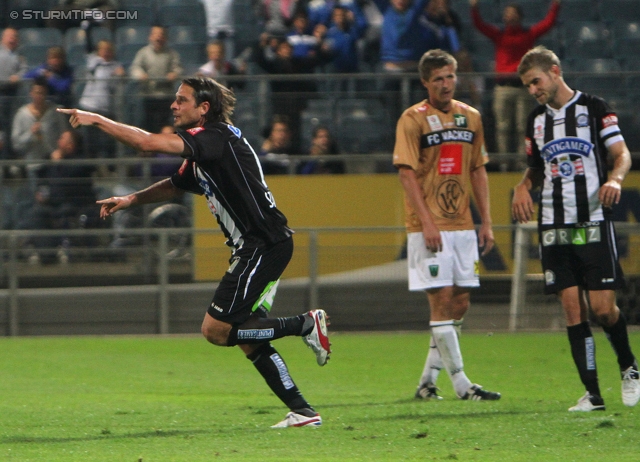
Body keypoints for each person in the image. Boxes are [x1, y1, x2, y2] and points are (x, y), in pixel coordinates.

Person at [58, 76, 332, 428]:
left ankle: (305, 324)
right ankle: (304, 412)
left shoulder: (213, 138)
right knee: (248, 333)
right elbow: (176, 184)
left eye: (181, 100)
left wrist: (97, 119)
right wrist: (132, 199)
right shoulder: (211, 146)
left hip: (262, 246)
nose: (173, 105)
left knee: (216, 330)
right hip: (263, 246)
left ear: (203, 108)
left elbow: (145, 142)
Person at [512, 46, 640, 412]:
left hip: (593, 221)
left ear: (554, 71)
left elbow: (622, 154)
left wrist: (615, 179)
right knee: (572, 310)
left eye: (536, 81)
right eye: (527, 86)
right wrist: (523, 185)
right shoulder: (536, 121)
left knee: (603, 309)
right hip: (553, 224)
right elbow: (535, 169)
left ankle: (629, 367)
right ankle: (593, 395)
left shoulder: (595, 108)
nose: (533, 90)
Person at [393, 49, 500, 401]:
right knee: (440, 302)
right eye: (438, 78)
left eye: (450, 76)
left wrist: (486, 222)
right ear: (425, 82)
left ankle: (427, 382)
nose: (446, 84)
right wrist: (426, 224)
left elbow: (478, 169)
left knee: (460, 303)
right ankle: (462, 384)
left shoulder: (471, 117)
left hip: (463, 225)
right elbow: (406, 174)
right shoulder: (413, 119)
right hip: (429, 227)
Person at [470, 0, 560, 157]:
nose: (508, 16)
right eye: (506, 13)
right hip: (503, 87)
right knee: (502, 127)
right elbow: (480, 25)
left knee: (522, 127)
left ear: (519, 16)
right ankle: (505, 163)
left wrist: (555, 5)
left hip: (523, 87)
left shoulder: (528, 34)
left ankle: (521, 162)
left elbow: (547, 24)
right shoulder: (499, 35)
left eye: (512, 13)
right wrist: (474, 7)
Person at [16, 129, 97, 264]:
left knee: (64, 212)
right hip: (52, 204)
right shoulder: (53, 159)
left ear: (71, 145)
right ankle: (45, 254)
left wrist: (59, 163)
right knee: (37, 212)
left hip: (73, 204)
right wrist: (40, 192)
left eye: (62, 139)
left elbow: (67, 183)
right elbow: (42, 178)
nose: (58, 141)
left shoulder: (80, 161)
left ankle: (65, 249)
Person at [78, 38, 125, 160]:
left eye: (109, 50)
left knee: (106, 140)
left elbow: (116, 87)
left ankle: (108, 167)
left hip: (106, 109)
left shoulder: (116, 66)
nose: (106, 52)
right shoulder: (94, 61)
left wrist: (119, 75)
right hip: (89, 106)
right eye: (103, 49)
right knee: (89, 140)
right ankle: (91, 168)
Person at [129, 26, 183, 133]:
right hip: (147, 96)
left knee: (166, 127)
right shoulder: (143, 53)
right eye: (156, 34)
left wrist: (174, 74)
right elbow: (135, 68)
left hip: (166, 96)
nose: (159, 37)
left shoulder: (172, 54)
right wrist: (140, 74)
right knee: (146, 128)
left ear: (166, 37)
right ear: (150, 37)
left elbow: (178, 68)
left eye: (161, 34)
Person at [0, 27, 26, 159]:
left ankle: (7, 160)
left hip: (11, 95)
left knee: (9, 129)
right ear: (2, 39)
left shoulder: (19, 57)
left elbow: (24, 72)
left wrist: (18, 77)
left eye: (15, 36)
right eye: (9, 36)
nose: (12, 38)